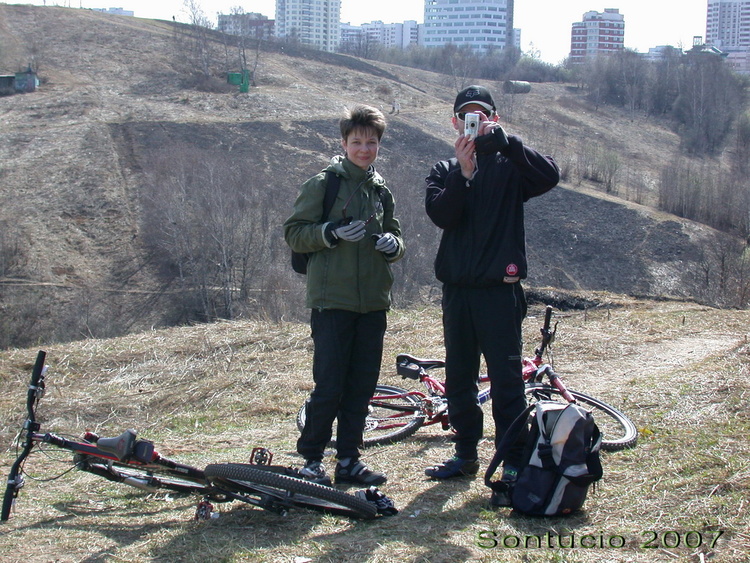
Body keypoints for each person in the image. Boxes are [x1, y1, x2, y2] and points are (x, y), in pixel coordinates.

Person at [423, 85, 560, 503]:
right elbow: (441, 215)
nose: (473, 121)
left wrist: (507, 143)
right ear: (453, 123)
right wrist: (463, 175)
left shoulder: (511, 165)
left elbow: (550, 175)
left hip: (500, 294)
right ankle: (465, 455)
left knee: (506, 384)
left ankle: (513, 461)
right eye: (466, 116)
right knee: (459, 378)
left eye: (481, 115)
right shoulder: (444, 168)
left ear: (494, 119)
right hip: (459, 292)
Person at [284, 105, 405, 486]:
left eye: (371, 142)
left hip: (372, 302)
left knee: (362, 386)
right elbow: (294, 232)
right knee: (331, 385)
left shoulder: (382, 192)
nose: (364, 149)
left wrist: (393, 245)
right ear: (344, 143)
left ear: (379, 145)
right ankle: (311, 462)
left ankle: (349, 460)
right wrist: (330, 232)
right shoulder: (323, 184)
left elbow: (399, 239)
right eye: (357, 142)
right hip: (331, 301)